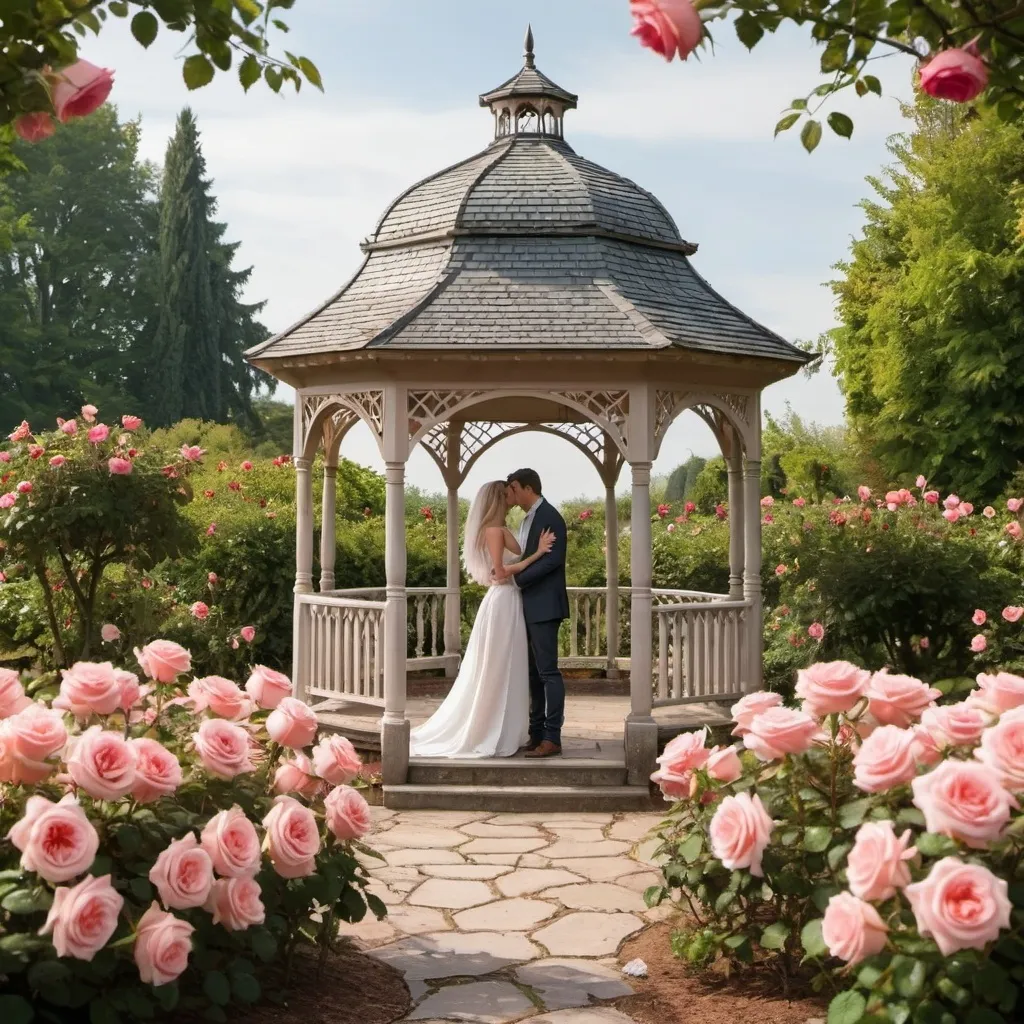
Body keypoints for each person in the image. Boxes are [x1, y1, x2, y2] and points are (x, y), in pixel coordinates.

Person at [408, 480, 556, 759]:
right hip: (503, 600)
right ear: (499, 499)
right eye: (507, 493)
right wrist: (537, 553)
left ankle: (507, 726)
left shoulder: (498, 528)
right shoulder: (493, 530)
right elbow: (499, 573)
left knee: (507, 666)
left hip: (508, 601)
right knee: (498, 667)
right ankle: (492, 727)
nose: (512, 496)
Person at [505, 468, 569, 759]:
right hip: (529, 605)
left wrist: (518, 579)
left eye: (512, 489)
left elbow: (552, 561)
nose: (510, 495)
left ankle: (552, 736)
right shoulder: (529, 518)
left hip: (544, 605)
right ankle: (536, 733)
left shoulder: (550, 516)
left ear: (523, 487)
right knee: (533, 674)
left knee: (548, 672)